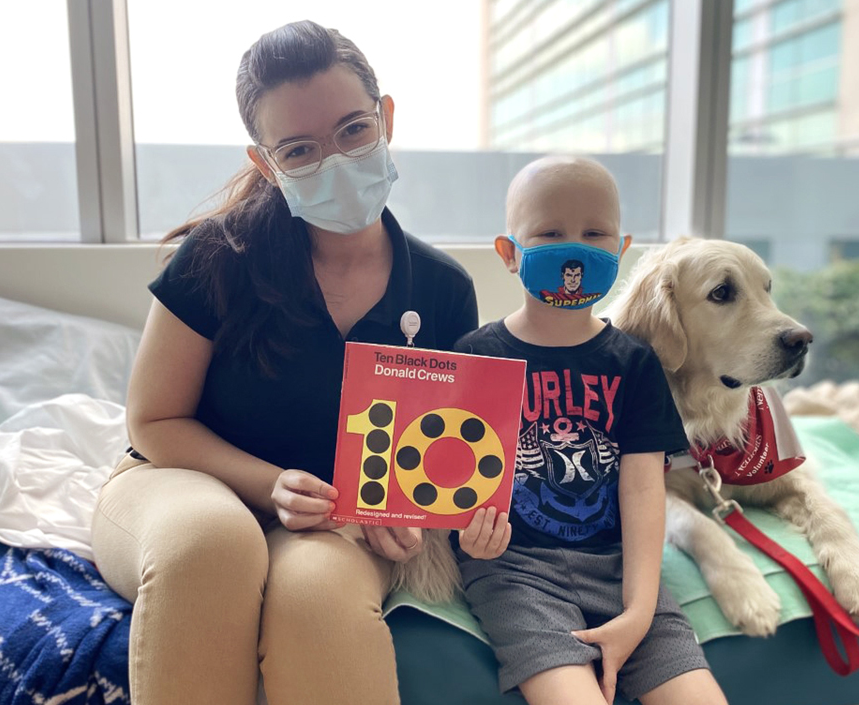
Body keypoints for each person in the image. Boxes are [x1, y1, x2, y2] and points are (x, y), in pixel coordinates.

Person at [90, 20, 478, 705]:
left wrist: (411, 513)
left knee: (317, 597)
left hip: (336, 518)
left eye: (354, 129)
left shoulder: (444, 290)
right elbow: (154, 420)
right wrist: (272, 484)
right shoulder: (217, 257)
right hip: (180, 478)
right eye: (300, 149)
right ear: (266, 162)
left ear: (386, 118)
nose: (335, 161)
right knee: (212, 545)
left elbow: (436, 458)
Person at [453, 156, 727, 705]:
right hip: (516, 574)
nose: (573, 248)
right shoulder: (474, 357)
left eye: (594, 232)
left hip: (620, 569)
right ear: (509, 254)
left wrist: (639, 609)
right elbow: (454, 476)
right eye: (550, 233)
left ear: (619, 250)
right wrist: (468, 537)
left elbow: (644, 487)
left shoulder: (635, 363)